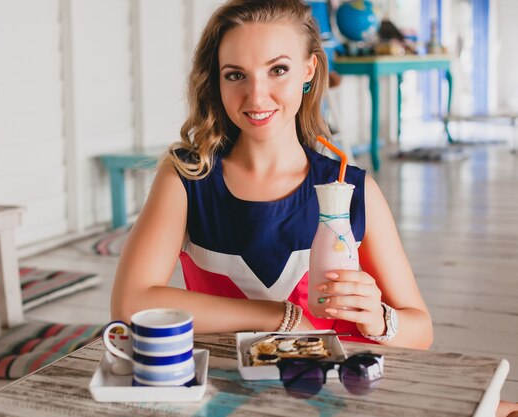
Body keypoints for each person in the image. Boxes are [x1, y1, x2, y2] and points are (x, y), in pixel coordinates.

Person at [111, 0, 431, 347]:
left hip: (338, 390)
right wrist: (281, 316)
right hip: (223, 389)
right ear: (216, 81)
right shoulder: (187, 180)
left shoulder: (354, 188)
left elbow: (421, 331)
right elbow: (130, 305)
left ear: (309, 70)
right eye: (236, 75)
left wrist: (378, 318)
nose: (257, 96)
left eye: (277, 70)